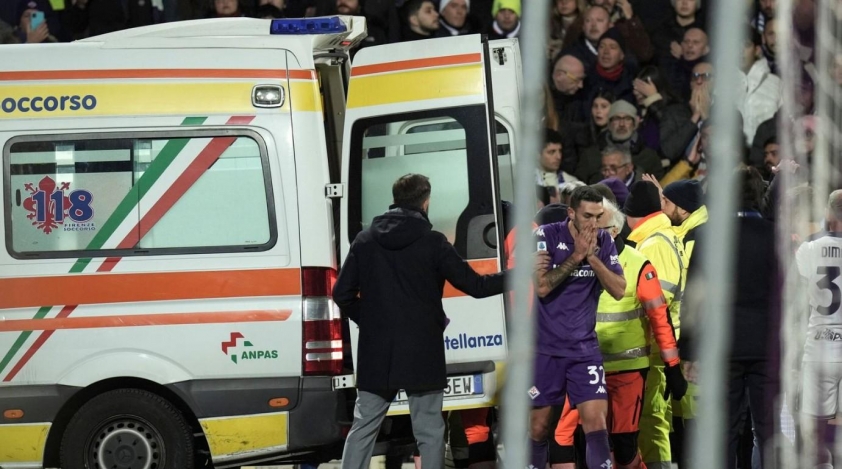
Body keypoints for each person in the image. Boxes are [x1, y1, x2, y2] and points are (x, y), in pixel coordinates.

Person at [333, 174, 507, 469]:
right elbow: (477, 287)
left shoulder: (365, 240)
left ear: (394, 199)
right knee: (429, 430)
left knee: (364, 427)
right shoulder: (433, 242)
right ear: (426, 202)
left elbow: (342, 294)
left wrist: (371, 321)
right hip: (422, 348)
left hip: (378, 352)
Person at [550, 198, 686, 469]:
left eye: (595, 225)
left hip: (627, 370)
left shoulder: (638, 265)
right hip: (582, 366)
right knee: (568, 438)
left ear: (613, 231)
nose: (586, 231)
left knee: (624, 446)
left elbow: (660, 319)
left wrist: (673, 367)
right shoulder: (571, 260)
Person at [531, 186, 627, 469]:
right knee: (538, 427)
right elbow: (542, 287)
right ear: (571, 213)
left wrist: (592, 258)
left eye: (598, 217)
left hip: (585, 350)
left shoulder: (603, 241)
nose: (594, 224)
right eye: (588, 216)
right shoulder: (546, 235)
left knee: (596, 423)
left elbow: (619, 289)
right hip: (545, 350)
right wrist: (576, 256)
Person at [623, 181, 688, 469]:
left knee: (651, 420)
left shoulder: (654, 244)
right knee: (655, 418)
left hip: (656, 348)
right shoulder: (663, 236)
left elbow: (657, 303)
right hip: (662, 346)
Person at [795, 189, 842, 469]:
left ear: (828, 212)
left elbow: (796, 302)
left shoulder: (809, 248)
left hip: (818, 348)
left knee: (816, 431)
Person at [576, 100, 664, 184]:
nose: (622, 124)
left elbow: (658, 188)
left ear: (634, 124)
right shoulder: (590, 156)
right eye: (616, 119)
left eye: (627, 119)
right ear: (609, 124)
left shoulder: (649, 157)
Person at [632, 65, 698, 166]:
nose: (636, 92)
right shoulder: (640, 112)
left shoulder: (675, 110)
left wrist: (654, 100)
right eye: (635, 88)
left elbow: (671, 145)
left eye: (643, 88)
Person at [737, 26, 781, 146]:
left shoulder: (776, 83)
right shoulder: (721, 86)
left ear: (757, 50)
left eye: (746, 45)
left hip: (766, 152)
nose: (740, 50)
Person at [538, 128, 581, 194]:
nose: (559, 157)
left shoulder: (572, 183)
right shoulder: (524, 182)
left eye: (560, 151)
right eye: (552, 152)